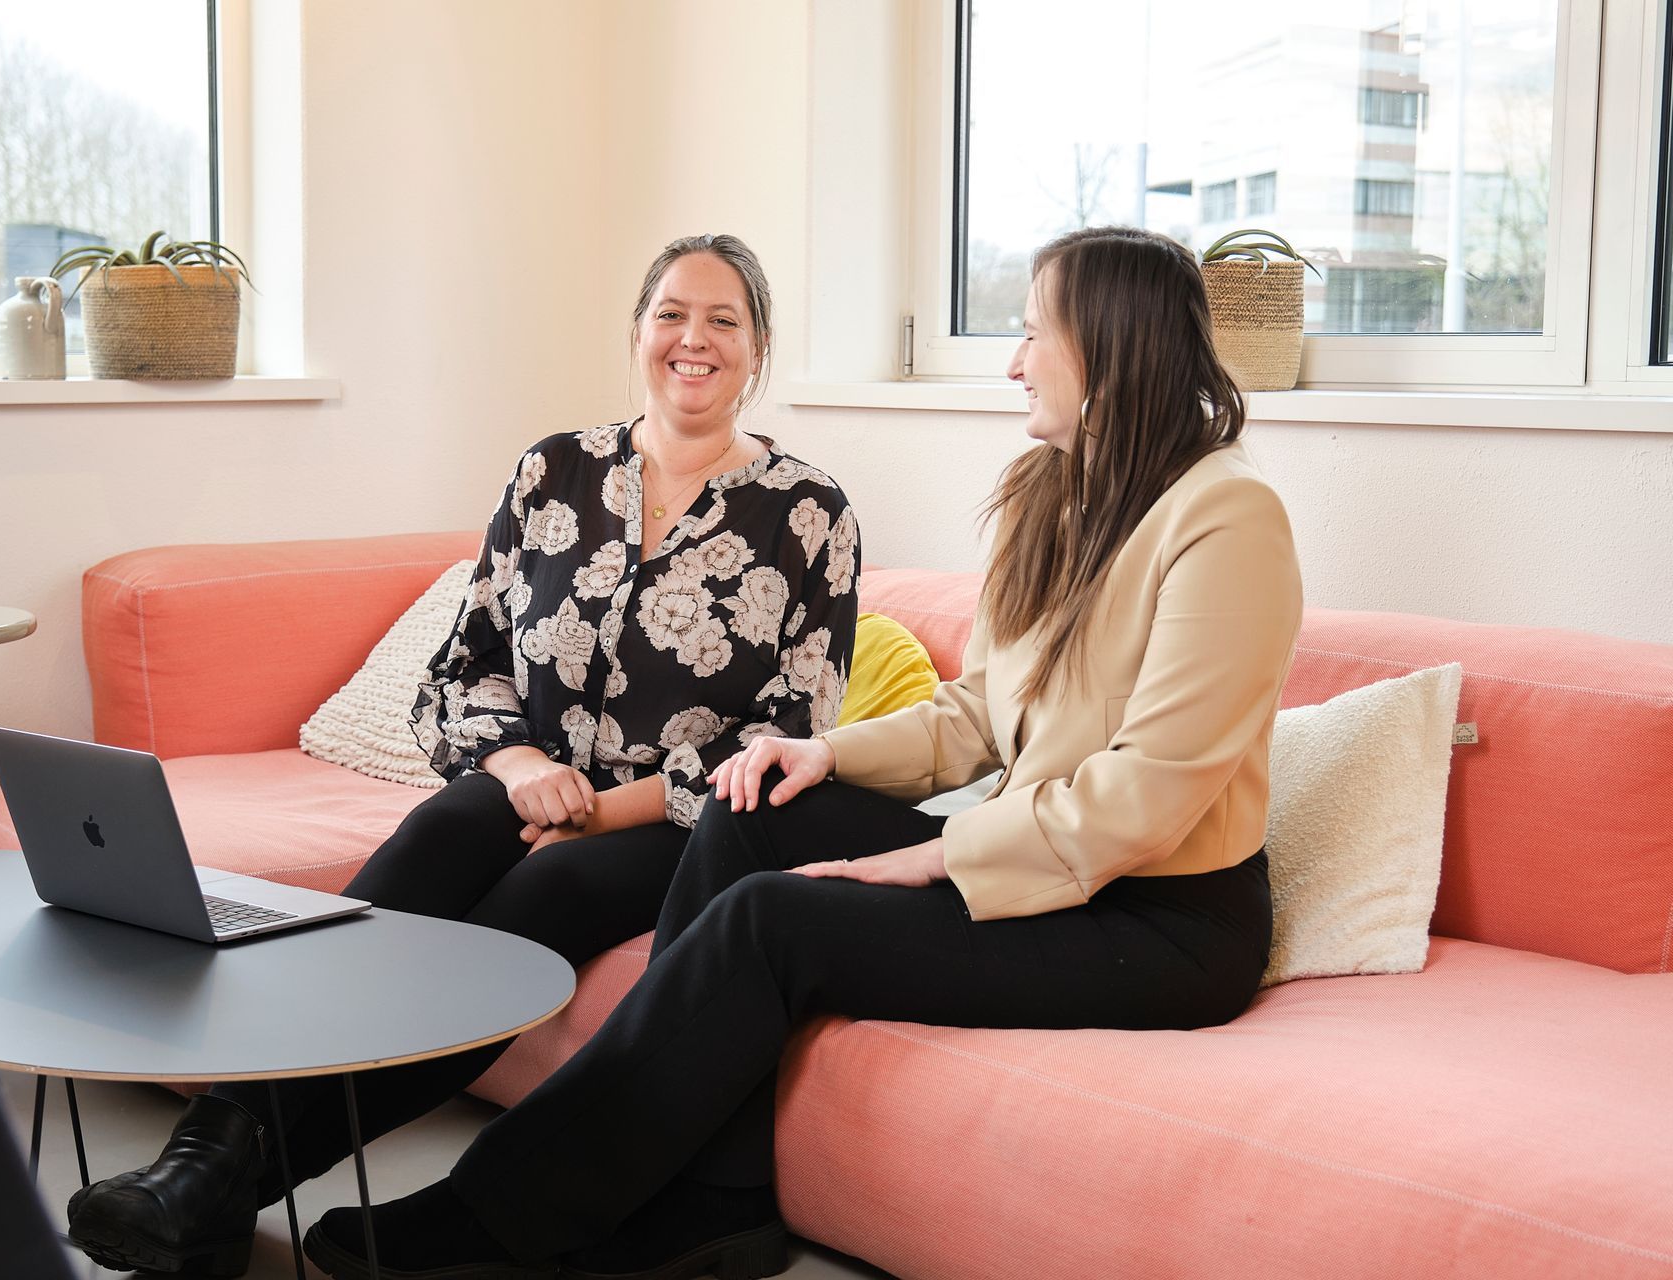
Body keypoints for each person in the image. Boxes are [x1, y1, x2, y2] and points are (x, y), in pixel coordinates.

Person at [294, 224, 1305, 1280]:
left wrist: (927, 857)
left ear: (1110, 343)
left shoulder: (1226, 516)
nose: (1013, 360)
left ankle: (501, 1210)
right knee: (751, 802)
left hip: (1158, 915)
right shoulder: (1052, 497)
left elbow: (1150, 792)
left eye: (1031, 332)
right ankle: (715, 1202)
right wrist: (824, 757)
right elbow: (975, 716)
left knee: (772, 920)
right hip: (1036, 857)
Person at [66, 233, 861, 1277]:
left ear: (758, 351)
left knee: (519, 923)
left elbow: (788, 729)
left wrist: (605, 809)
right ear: (636, 333)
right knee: (441, 829)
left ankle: (216, 1184)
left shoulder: (809, 511)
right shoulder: (553, 470)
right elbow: (463, 662)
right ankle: (203, 1160)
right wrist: (520, 765)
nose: (692, 338)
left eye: (724, 320)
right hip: (528, 778)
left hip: (678, 821)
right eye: (671, 312)